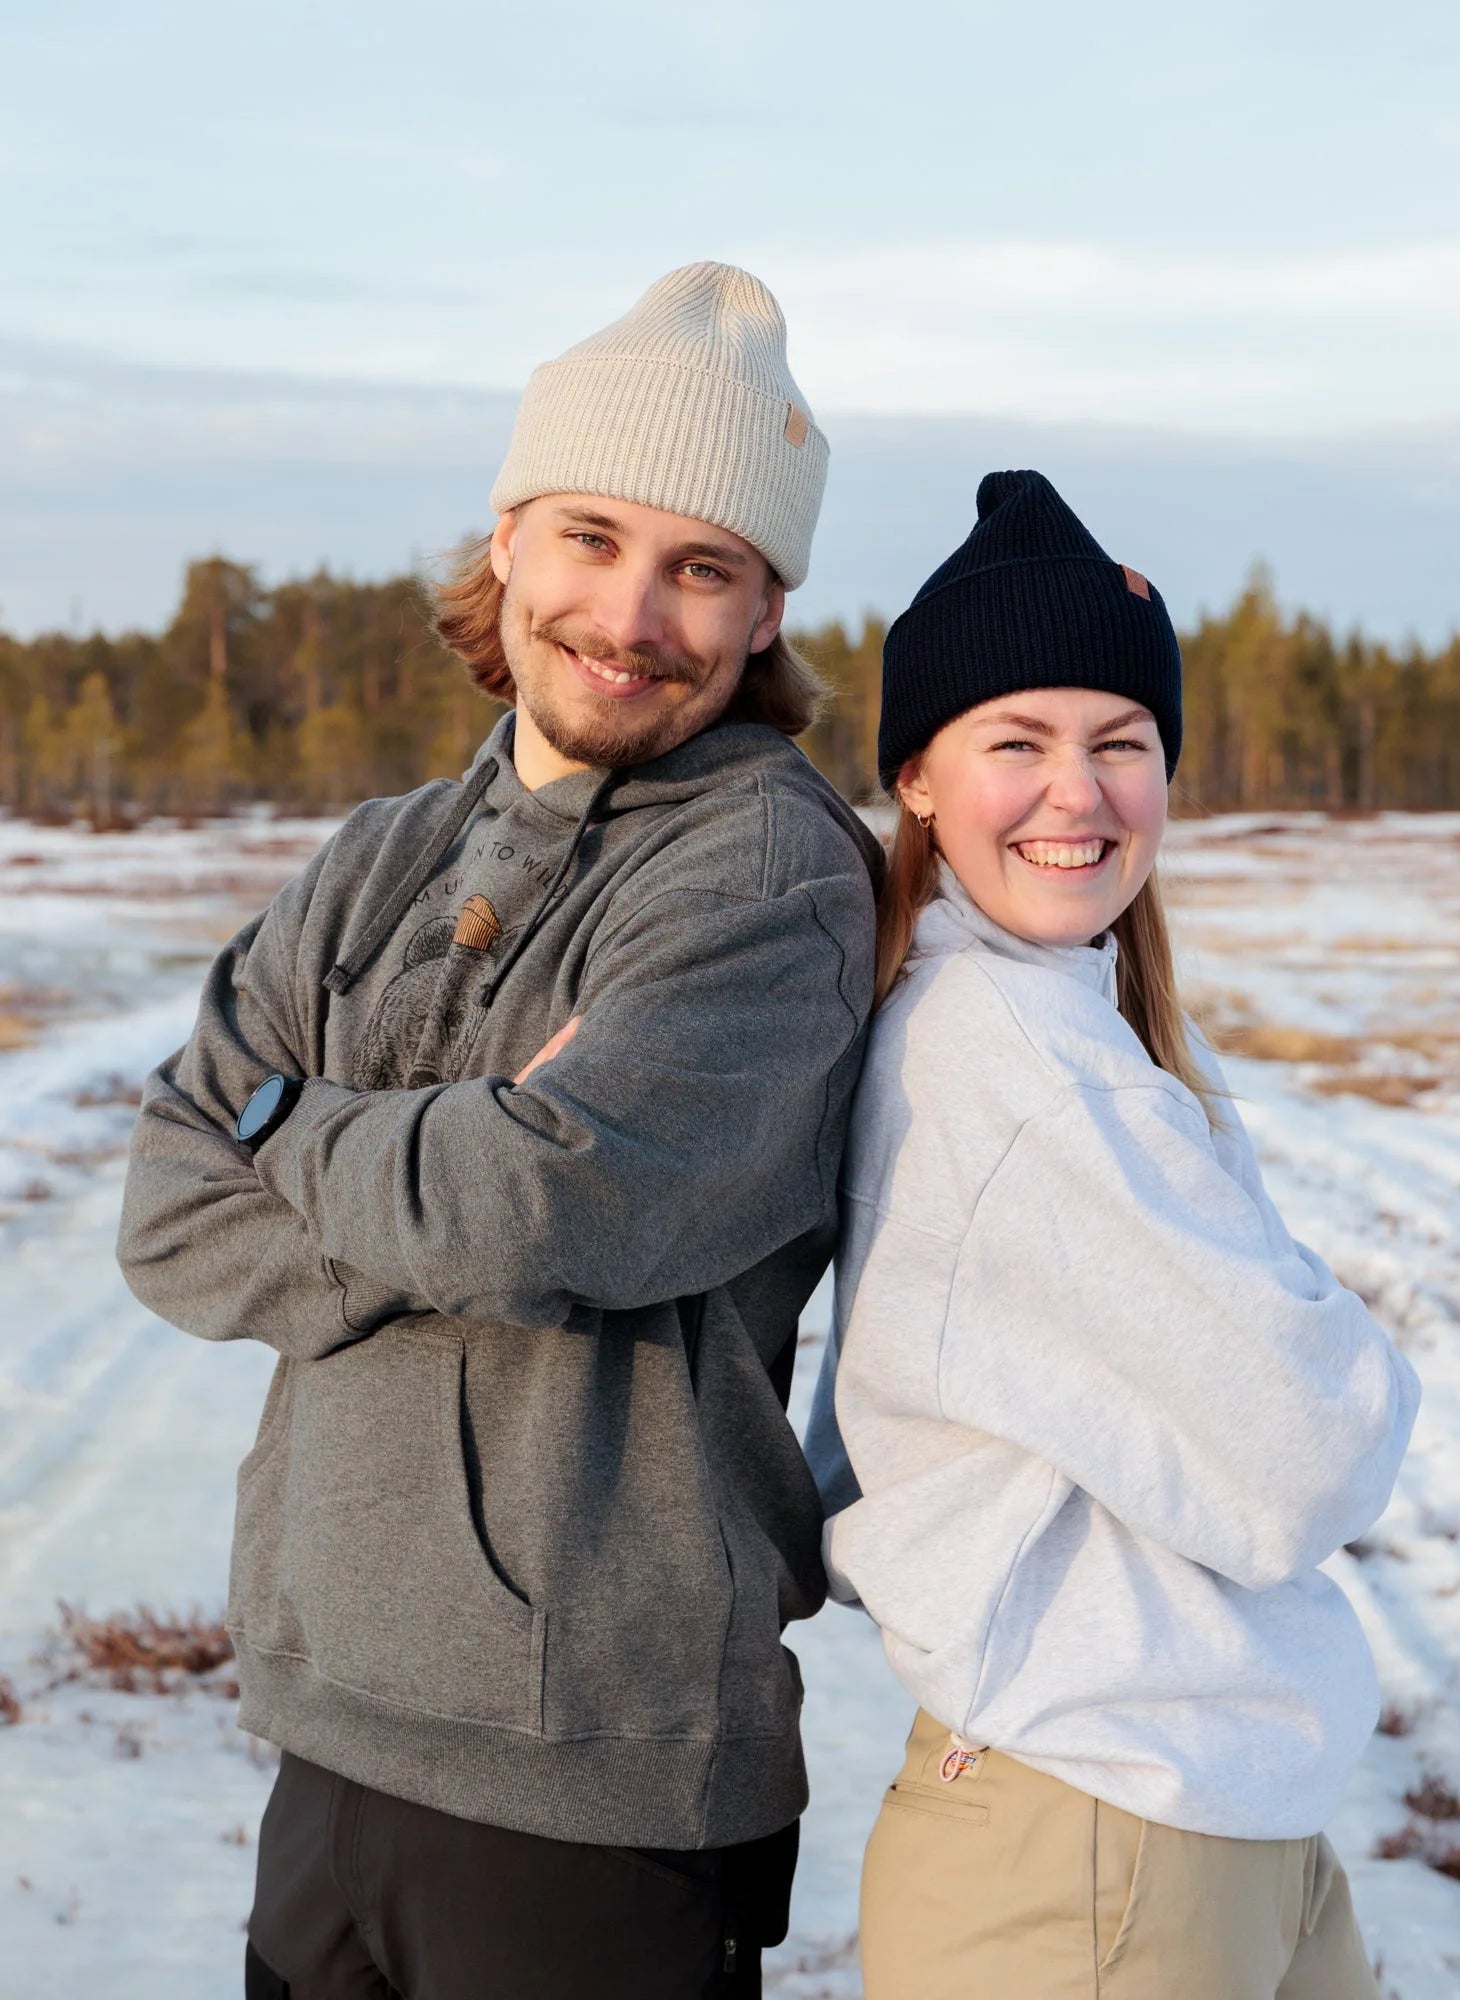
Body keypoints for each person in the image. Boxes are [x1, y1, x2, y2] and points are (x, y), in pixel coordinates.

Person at [116, 262, 882, 2000]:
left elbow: (539, 1211)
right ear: (513, 538)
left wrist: (281, 1116)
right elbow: (169, 1213)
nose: (633, 614)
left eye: (706, 568)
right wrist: (405, 1148)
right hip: (332, 1725)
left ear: (767, 611)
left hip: (590, 1774)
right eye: (594, 540)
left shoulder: (764, 875)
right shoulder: (381, 853)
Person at [804, 469, 1421, 1999]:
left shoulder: (1075, 1026)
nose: (1078, 793)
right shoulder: (1014, 1067)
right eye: (1016, 741)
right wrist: (1342, 1348)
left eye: (1120, 744)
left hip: (1199, 1810)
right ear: (921, 779)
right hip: (1097, 1837)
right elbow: (1307, 1452)